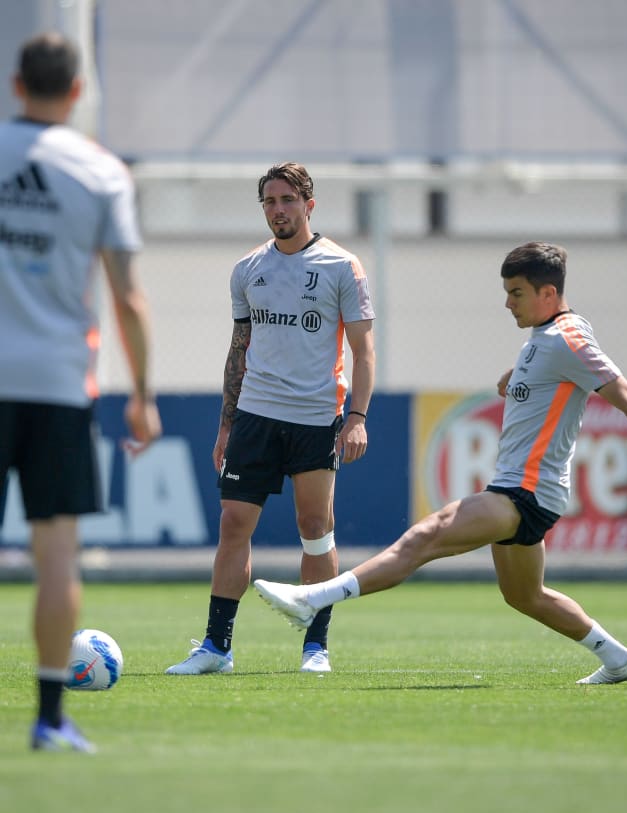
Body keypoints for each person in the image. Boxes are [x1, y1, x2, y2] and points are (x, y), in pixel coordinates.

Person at [254, 241, 627, 684]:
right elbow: (556, 375)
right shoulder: (548, 336)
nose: (508, 304)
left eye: (516, 293)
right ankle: (620, 659)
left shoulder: (568, 337)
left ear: (547, 293)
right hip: (531, 491)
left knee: (423, 538)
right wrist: (519, 377)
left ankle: (312, 598)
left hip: (524, 491)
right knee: (524, 596)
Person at [0, 32, 162, 752]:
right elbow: (129, 298)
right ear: (76, 91)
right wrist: (143, 394)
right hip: (60, 386)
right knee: (57, 554)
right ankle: (49, 719)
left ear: (14, 85)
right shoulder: (100, 173)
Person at [166, 162, 375, 676]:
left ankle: (315, 647)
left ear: (309, 205)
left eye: (287, 200)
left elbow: (363, 352)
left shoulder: (342, 267)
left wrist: (357, 417)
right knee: (234, 525)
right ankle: (216, 647)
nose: (277, 210)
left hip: (315, 418)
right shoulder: (247, 270)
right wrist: (225, 425)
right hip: (255, 414)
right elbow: (239, 350)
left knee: (314, 527)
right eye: (269, 201)